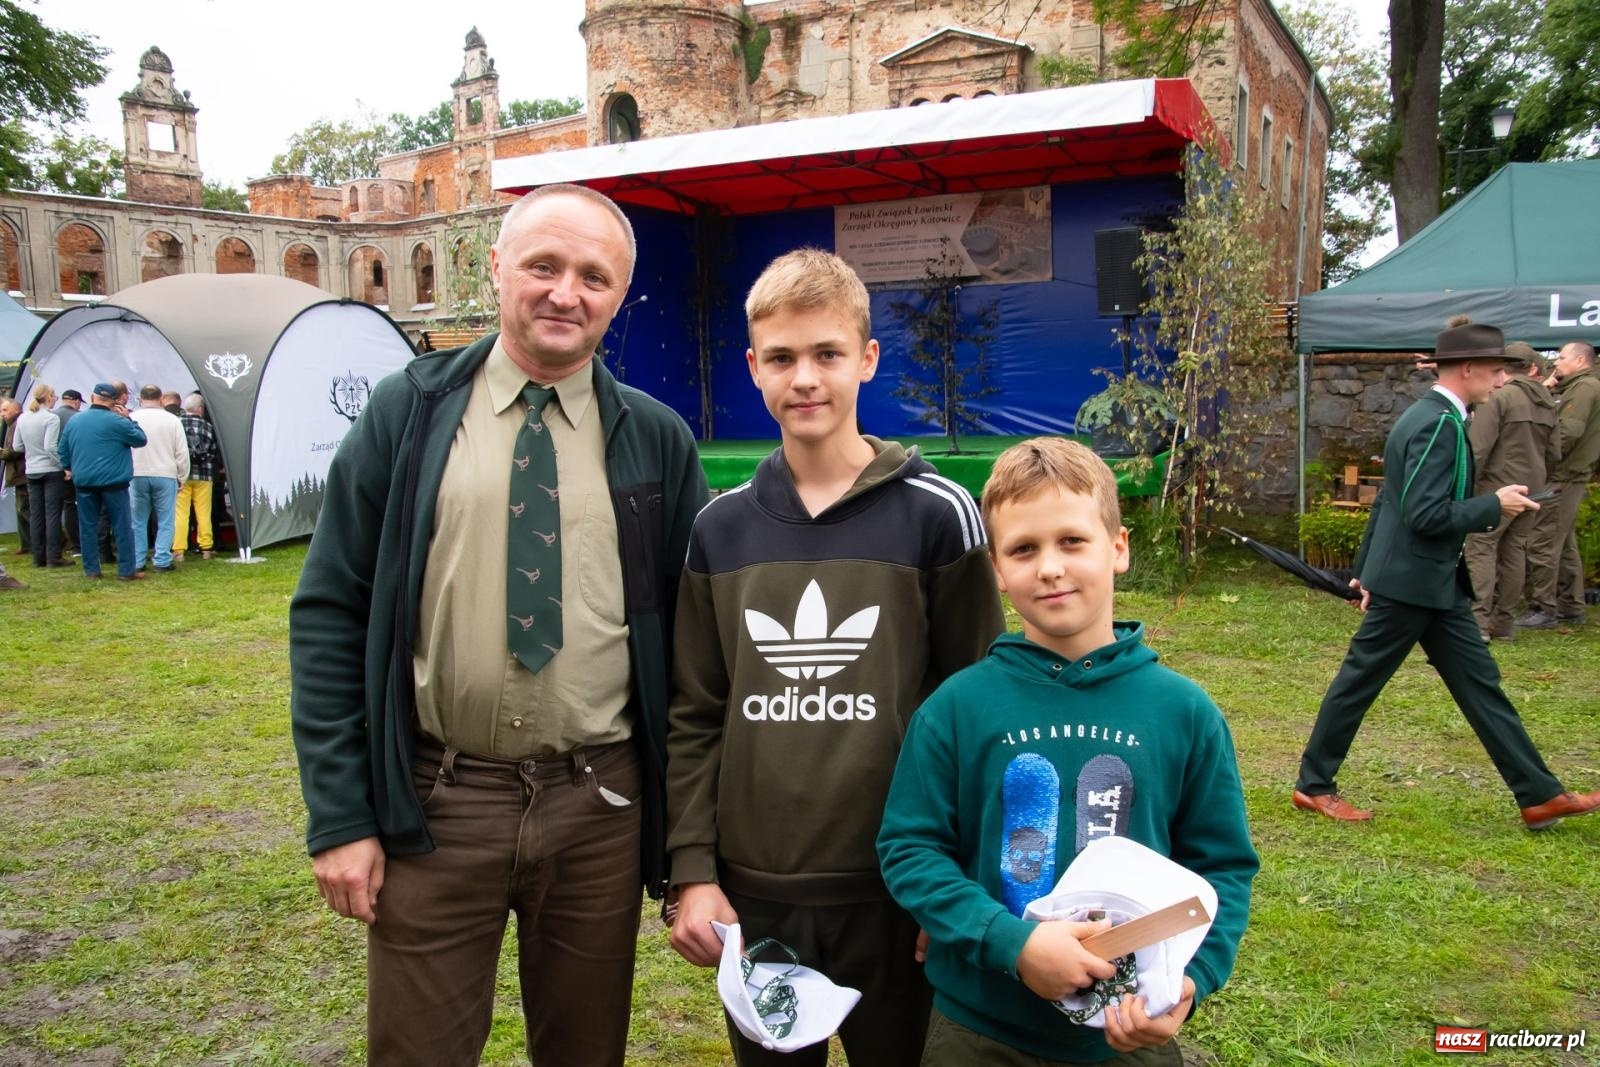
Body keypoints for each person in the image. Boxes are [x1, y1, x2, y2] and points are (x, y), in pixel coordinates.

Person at [289, 183, 708, 1067]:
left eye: (594, 275)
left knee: (585, 1052)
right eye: (544, 265)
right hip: (439, 800)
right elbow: (331, 609)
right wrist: (340, 816)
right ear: (497, 268)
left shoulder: (657, 439)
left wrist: (690, 842)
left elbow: (692, 646)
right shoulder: (410, 411)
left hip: (600, 805)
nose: (566, 292)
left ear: (620, 293)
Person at [665, 248, 1006, 1066]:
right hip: (759, 894)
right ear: (752, 367)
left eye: (827, 353)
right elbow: (695, 712)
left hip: (898, 889)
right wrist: (692, 869)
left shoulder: (939, 514)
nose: (805, 377)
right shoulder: (720, 528)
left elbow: (978, 708)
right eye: (781, 357)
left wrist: (955, 887)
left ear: (868, 359)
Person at [878, 437, 1258, 1066]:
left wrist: (1192, 980)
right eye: (1023, 549)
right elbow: (910, 849)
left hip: (1126, 1035)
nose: (1049, 567)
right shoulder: (956, 707)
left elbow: (1222, 866)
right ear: (997, 569)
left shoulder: (1184, 713)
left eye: (1072, 541)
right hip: (979, 1029)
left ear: (1119, 547)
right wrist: (1010, 942)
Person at [1294, 319, 1600, 829]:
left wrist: (1364, 570)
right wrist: (1492, 505)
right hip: (1412, 584)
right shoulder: (1437, 423)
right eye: (1497, 371)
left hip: (1433, 583)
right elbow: (1421, 514)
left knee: (1481, 686)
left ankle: (1539, 795)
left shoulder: (1436, 417)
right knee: (1357, 685)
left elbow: (1390, 503)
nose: (1503, 381)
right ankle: (1313, 786)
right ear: (1469, 369)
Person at [1463, 343, 1558, 640]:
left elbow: (1478, 449)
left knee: (1481, 547)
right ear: (1532, 367)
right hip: (1535, 489)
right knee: (1515, 550)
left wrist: (1464, 488)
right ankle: (1503, 624)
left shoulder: (1498, 397)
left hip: (1498, 489)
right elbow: (1554, 452)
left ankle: (1477, 625)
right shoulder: (1546, 401)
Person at [1517, 340, 1600, 630]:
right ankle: (1571, 606)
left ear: (1580, 361)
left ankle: (1543, 608)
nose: (1556, 362)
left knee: (1543, 541)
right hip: (1569, 475)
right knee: (1563, 545)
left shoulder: (1584, 389)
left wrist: (1539, 459)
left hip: (1563, 476)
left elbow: (1568, 431)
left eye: (1562, 357)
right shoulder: (1577, 387)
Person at [57, 383, 148, 581]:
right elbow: (140, 439)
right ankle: (126, 571)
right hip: (114, 482)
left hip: (84, 482)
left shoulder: (75, 420)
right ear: (115, 402)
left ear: (92, 397)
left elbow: (63, 450)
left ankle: (91, 570)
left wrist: (69, 467)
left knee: (88, 526)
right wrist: (129, 419)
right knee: (122, 526)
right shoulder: (117, 422)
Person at [128, 384, 189, 573]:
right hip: (165, 473)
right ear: (161, 398)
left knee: (138, 520)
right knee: (166, 519)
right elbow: (181, 452)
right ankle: (162, 559)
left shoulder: (131, 418)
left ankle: (138, 560)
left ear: (140, 398)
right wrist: (182, 476)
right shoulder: (172, 420)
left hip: (137, 473)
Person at [17, 382, 68, 568]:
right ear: (48, 397)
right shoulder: (51, 418)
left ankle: (38, 557)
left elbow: (17, 446)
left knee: (36, 515)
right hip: (50, 470)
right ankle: (54, 556)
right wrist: (63, 466)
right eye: (54, 396)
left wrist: (32, 453)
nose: (56, 399)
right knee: (52, 514)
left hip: (32, 470)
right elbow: (50, 447)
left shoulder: (23, 418)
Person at [173, 393, 219, 562]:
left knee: (181, 513)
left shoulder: (177, 424)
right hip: (204, 476)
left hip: (182, 476)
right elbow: (213, 451)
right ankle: (206, 547)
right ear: (200, 409)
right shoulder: (208, 427)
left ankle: (179, 550)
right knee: (203, 513)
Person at [54, 389, 84, 556]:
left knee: (66, 506)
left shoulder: (51, 416)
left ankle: (73, 545)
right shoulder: (78, 417)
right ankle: (83, 543)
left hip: (56, 468)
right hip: (76, 468)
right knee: (80, 505)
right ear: (76, 401)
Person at [0, 397, 27, 556]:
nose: (2, 414)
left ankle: (59, 539)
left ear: (16, 409)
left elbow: (16, 449)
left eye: (5, 410)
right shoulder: (12, 425)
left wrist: (2, 452)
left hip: (21, 472)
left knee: (26, 509)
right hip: (18, 473)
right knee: (21, 510)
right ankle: (27, 544)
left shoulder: (18, 424)